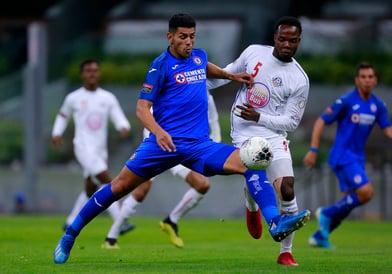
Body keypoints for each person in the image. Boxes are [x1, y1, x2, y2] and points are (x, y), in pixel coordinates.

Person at [53, 13, 310, 265]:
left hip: (199, 145)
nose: (189, 42)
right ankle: (70, 234)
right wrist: (159, 132)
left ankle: (274, 221)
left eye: (192, 37)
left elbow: (204, 68)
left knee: (250, 163)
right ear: (170, 37)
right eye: (183, 37)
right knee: (118, 188)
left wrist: (230, 76)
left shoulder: (198, 56)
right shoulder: (159, 66)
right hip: (162, 145)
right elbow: (142, 109)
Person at [207, 16, 310, 266]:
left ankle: (286, 252)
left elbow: (291, 122)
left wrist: (260, 116)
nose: (287, 44)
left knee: (287, 188)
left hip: (273, 134)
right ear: (274, 38)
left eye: (293, 40)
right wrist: (202, 86)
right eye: (282, 39)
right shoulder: (254, 52)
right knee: (254, 170)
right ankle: (253, 204)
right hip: (244, 131)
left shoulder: (299, 79)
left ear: (299, 41)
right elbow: (228, 74)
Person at [303, 62, 392, 249]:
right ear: (357, 80)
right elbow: (321, 121)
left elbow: (388, 129)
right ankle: (326, 213)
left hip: (357, 158)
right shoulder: (346, 101)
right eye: (363, 76)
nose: (367, 80)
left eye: (370, 76)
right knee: (366, 192)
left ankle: (321, 235)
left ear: (375, 80)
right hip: (343, 156)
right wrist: (313, 150)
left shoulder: (377, 105)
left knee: (349, 203)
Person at [102, 91, 221, 249]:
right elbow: (147, 115)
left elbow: (213, 119)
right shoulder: (167, 87)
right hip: (158, 146)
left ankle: (171, 221)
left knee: (202, 185)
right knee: (141, 189)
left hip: (182, 149)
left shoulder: (204, 95)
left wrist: (214, 142)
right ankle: (111, 238)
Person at [51, 59, 134, 235]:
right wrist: (57, 133)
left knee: (91, 188)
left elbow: (117, 115)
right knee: (107, 180)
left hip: (100, 150)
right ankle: (120, 221)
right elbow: (63, 116)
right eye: (88, 71)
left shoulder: (107, 97)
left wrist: (123, 125)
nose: (92, 74)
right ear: (82, 75)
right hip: (82, 147)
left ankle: (70, 221)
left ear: (99, 74)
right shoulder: (73, 97)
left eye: (95, 71)